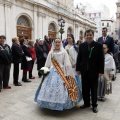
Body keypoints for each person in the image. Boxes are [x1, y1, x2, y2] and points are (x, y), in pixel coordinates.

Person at [35, 38, 82, 111]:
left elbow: (67, 64)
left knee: (62, 88)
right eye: (56, 42)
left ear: (61, 43)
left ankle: (61, 104)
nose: (57, 43)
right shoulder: (51, 52)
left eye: (58, 42)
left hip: (62, 72)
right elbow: (47, 63)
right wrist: (44, 73)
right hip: (51, 71)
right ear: (54, 43)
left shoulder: (64, 52)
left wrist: (69, 74)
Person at [76, 29, 104, 113]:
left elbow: (101, 59)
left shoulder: (98, 45)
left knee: (94, 89)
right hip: (84, 71)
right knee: (85, 89)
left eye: (90, 35)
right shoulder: (81, 45)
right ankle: (86, 103)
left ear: (93, 35)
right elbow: (79, 58)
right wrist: (78, 69)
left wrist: (101, 71)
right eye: (87, 35)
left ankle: (94, 105)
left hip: (94, 71)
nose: (89, 36)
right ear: (85, 36)